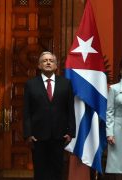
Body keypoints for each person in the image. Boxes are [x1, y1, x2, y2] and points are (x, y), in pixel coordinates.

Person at [23, 51, 75, 180]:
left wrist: (71, 132)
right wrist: (28, 134)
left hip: (60, 135)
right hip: (38, 136)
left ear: (56, 66)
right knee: (40, 172)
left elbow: (70, 109)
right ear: (39, 65)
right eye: (44, 60)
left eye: (51, 61)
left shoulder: (66, 83)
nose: (48, 62)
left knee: (57, 171)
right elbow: (26, 111)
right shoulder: (31, 84)